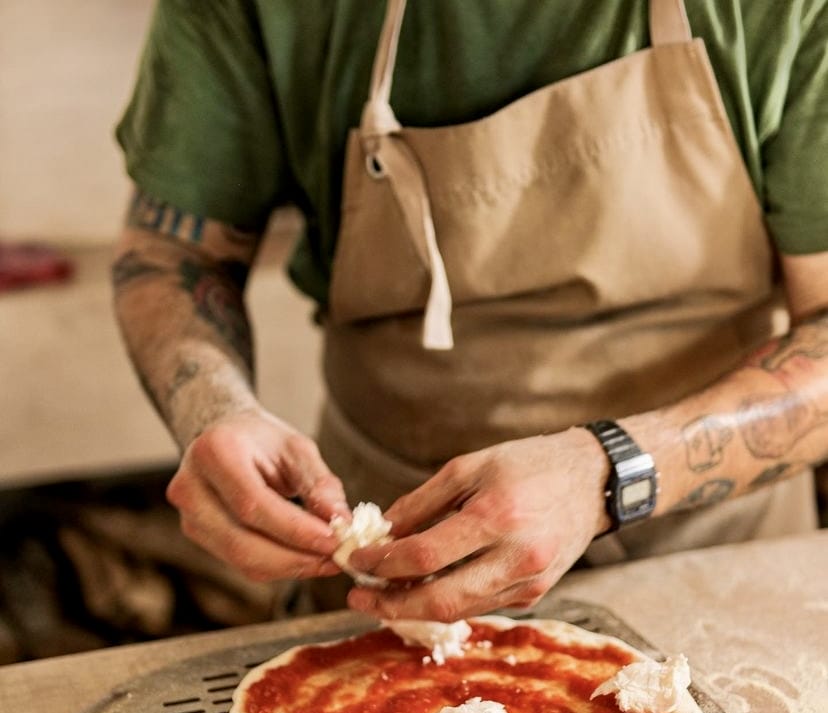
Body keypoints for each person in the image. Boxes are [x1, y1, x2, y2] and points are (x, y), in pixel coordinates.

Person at [113, 0, 828, 623]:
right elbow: (173, 254)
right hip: (391, 575)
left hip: (714, 560)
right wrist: (213, 413)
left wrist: (610, 472)